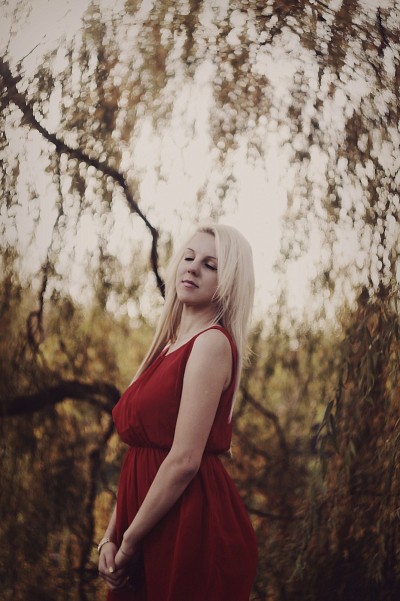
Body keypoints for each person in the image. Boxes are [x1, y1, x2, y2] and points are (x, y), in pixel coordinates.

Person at [98, 223, 258, 601]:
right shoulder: (168, 346)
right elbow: (140, 457)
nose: (192, 268)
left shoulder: (211, 344)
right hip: (143, 520)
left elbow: (184, 460)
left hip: (186, 523)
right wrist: (111, 535)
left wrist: (129, 542)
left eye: (210, 265)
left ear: (229, 282)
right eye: (188, 257)